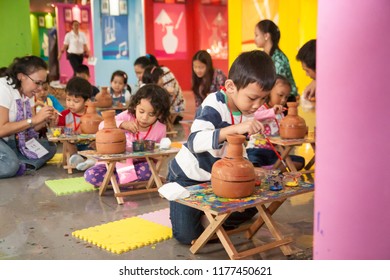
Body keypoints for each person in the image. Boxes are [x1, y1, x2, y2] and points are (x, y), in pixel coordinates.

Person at [167, 50, 276, 244]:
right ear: (231, 86)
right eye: (252, 98)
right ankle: (210, 221)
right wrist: (234, 129)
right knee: (186, 236)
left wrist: (250, 169)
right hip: (188, 177)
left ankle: (209, 220)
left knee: (256, 204)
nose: (257, 105)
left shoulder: (246, 109)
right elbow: (195, 141)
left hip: (217, 178)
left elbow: (239, 149)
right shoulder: (214, 104)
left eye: (263, 99)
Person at [84, 84, 171, 186]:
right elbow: (102, 125)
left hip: (140, 165)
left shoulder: (160, 128)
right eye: (141, 111)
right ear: (135, 106)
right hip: (115, 164)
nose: (144, 117)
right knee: (90, 175)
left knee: (148, 171)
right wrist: (122, 124)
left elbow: (159, 155)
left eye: (151, 114)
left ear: (160, 113)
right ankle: (130, 183)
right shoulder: (127, 116)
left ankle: (117, 183)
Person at [0, 56, 57, 178]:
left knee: (50, 148)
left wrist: (43, 120)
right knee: (9, 165)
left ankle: (19, 164)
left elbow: (28, 129)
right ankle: (14, 164)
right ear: (21, 76)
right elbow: (1, 129)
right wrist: (35, 119)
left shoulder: (27, 93)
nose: (40, 88)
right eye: (37, 83)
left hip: (11, 140)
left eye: (43, 83)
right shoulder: (3, 88)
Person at [246, 75, 305, 169]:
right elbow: (255, 116)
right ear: (268, 92)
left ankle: (269, 169)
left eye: (286, 97)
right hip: (257, 150)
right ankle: (268, 169)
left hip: (275, 153)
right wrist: (272, 111)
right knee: (252, 161)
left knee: (299, 161)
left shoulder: (281, 114)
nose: (283, 100)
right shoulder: (260, 107)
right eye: (280, 95)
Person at [57, 76, 95, 171]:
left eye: (76, 101)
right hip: (73, 146)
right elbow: (58, 132)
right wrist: (54, 123)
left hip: (89, 145)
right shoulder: (64, 115)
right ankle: (76, 159)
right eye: (68, 100)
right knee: (69, 142)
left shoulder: (93, 115)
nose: (71, 104)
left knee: (99, 143)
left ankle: (90, 160)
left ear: (86, 101)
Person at [134, 54, 185, 123]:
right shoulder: (143, 81)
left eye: (140, 72)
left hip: (174, 112)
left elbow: (169, 97)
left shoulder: (163, 72)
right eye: (136, 73)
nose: (138, 76)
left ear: (148, 70)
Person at [254, 19, 298, 97]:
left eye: (256, 35)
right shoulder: (263, 56)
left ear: (266, 36)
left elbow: (280, 87)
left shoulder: (279, 59)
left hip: (286, 98)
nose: (255, 39)